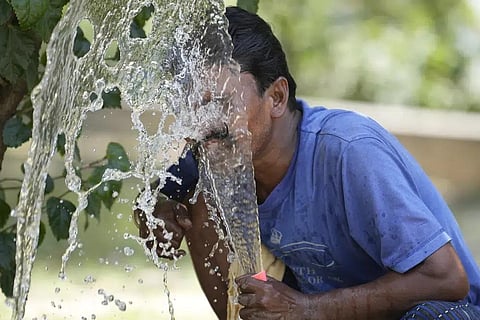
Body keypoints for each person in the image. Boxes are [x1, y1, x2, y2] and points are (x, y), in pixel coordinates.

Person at [134, 6, 480, 320]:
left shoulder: (349, 150)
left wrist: (308, 309)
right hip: (319, 308)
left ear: (277, 98)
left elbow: (447, 279)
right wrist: (157, 212)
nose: (202, 124)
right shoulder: (214, 146)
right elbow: (159, 194)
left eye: (223, 105)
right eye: (194, 106)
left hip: (442, 311)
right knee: (195, 200)